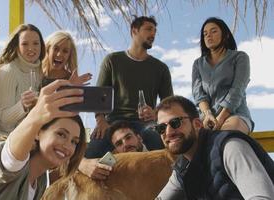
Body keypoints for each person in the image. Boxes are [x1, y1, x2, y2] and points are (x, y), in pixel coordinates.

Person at [0, 80, 87, 200]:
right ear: (38, 132)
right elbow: (11, 160)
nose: (67, 146)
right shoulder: (6, 157)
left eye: (74, 141)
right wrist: (35, 116)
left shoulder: (40, 182)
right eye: (61, 134)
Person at [154, 95, 274, 199]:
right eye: (161, 128)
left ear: (197, 124)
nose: (168, 132)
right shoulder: (182, 168)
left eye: (175, 123)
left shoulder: (230, 147)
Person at [86, 15, 173, 158]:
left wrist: (155, 112)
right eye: (148, 29)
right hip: (113, 121)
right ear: (134, 31)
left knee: (162, 150)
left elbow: (168, 104)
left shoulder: (161, 68)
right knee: (92, 152)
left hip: (147, 123)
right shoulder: (112, 60)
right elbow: (99, 95)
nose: (153, 34)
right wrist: (100, 121)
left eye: (155, 31)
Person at [0, 24, 45, 135]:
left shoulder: (39, 71)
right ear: (17, 46)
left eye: (36, 43)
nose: (31, 48)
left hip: (12, 133)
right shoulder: (9, 71)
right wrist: (23, 104)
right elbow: (6, 118)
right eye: (25, 44)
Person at [192, 17, 253, 134]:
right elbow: (198, 95)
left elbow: (237, 90)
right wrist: (208, 114)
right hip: (206, 118)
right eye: (205, 34)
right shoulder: (198, 64)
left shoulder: (240, 57)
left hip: (234, 114)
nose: (208, 35)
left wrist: (220, 119)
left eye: (213, 31)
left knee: (225, 136)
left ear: (225, 35)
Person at [79, 120, 148, 180]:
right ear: (116, 151)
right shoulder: (111, 164)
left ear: (139, 138)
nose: (125, 144)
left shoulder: (157, 148)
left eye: (128, 137)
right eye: (119, 143)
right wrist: (83, 164)